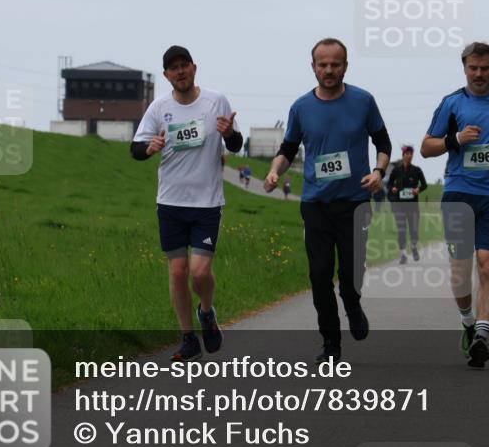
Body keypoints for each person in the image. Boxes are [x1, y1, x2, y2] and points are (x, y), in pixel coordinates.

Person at [264, 38, 391, 362]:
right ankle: (331, 344)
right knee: (319, 274)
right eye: (323, 65)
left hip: (354, 203)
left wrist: (378, 171)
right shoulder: (301, 107)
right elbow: (288, 149)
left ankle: (352, 302)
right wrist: (274, 172)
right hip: (316, 204)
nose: (329, 70)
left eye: (335, 64)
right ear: (313, 67)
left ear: (345, 66)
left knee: (350, 274)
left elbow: (383, 142)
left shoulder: (363, 101)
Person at [130, 45, 243, 361]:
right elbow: (135, 149)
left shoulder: (215, 101)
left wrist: (230, 132)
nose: (180, 71)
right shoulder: (158, 108)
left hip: (206, 203)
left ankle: (206, 312)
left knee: (199, 272)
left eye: (185, 65)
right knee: (178, 272)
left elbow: (235, 144)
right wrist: (149, 148)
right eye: (173, 68)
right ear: (166, 75)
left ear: (195, 68)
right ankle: (188, 338)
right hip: (170, 202)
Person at [421, 41, 489, 368]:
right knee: (461, 272)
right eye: (473, 68)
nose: (478, 74)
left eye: (485, 68)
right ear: (464, 68)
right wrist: (455, 140)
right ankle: (467, 321)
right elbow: (426, 147)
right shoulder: (451, 104)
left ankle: (481, 336)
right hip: (458, 194)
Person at [388, 145, 428, 264]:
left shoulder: (417, 170)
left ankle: (414, 248)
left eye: (411, 154)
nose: (409, 156)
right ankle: (403, 255)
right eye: (407, 153)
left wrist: (418, 190)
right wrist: (393, 189)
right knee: (401, 230)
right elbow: (389, 185)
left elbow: (424, 185)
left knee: (414, 230)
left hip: (413, 206)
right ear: (403, 155)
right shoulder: (396, 171)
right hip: (399, 206)